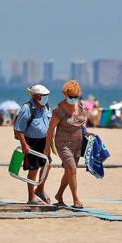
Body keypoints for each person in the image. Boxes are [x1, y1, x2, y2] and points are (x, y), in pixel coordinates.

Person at [45, 80, 88, 208]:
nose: (73, 99)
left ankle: (59, 195)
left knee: (69, 171)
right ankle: (76, 200)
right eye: (71, 97)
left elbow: (80, 124)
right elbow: (50, 130)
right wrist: (47, 148)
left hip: (78, 143)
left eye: (76, 96)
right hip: (63, 143)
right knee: (72, 169)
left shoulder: (80, 106)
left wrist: (87, 133)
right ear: (65, 95)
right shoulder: (59, 110)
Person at [14, 84, 52, 204]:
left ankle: (40, 189)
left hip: (44, 141)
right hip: (31, 141)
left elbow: (49, 123)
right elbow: (19, 129)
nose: (46, 97)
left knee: (48, 165)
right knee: (33, 169)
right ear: (36, 96)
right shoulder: (27, 108)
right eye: (43, 95)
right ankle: (31, 197)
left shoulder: (46, 106)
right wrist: (24, 144)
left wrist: (51, 142)